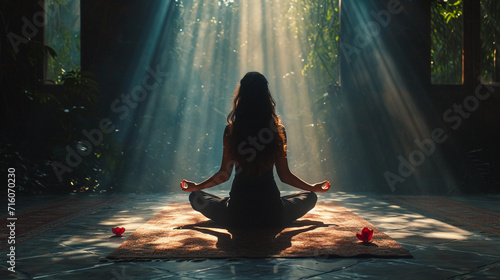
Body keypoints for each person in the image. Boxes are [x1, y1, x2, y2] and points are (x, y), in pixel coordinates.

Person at [181, 72, 329, 228]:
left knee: (195, 196)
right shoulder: (277, 131)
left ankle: (227, 204)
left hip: (237, 215)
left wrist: (196, 187)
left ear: (241, 98)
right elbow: (285, 176)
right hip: (272, 214)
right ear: (266, 97)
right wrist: (312, 188)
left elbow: (224, 175)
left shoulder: (231, 131)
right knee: (310, 197)